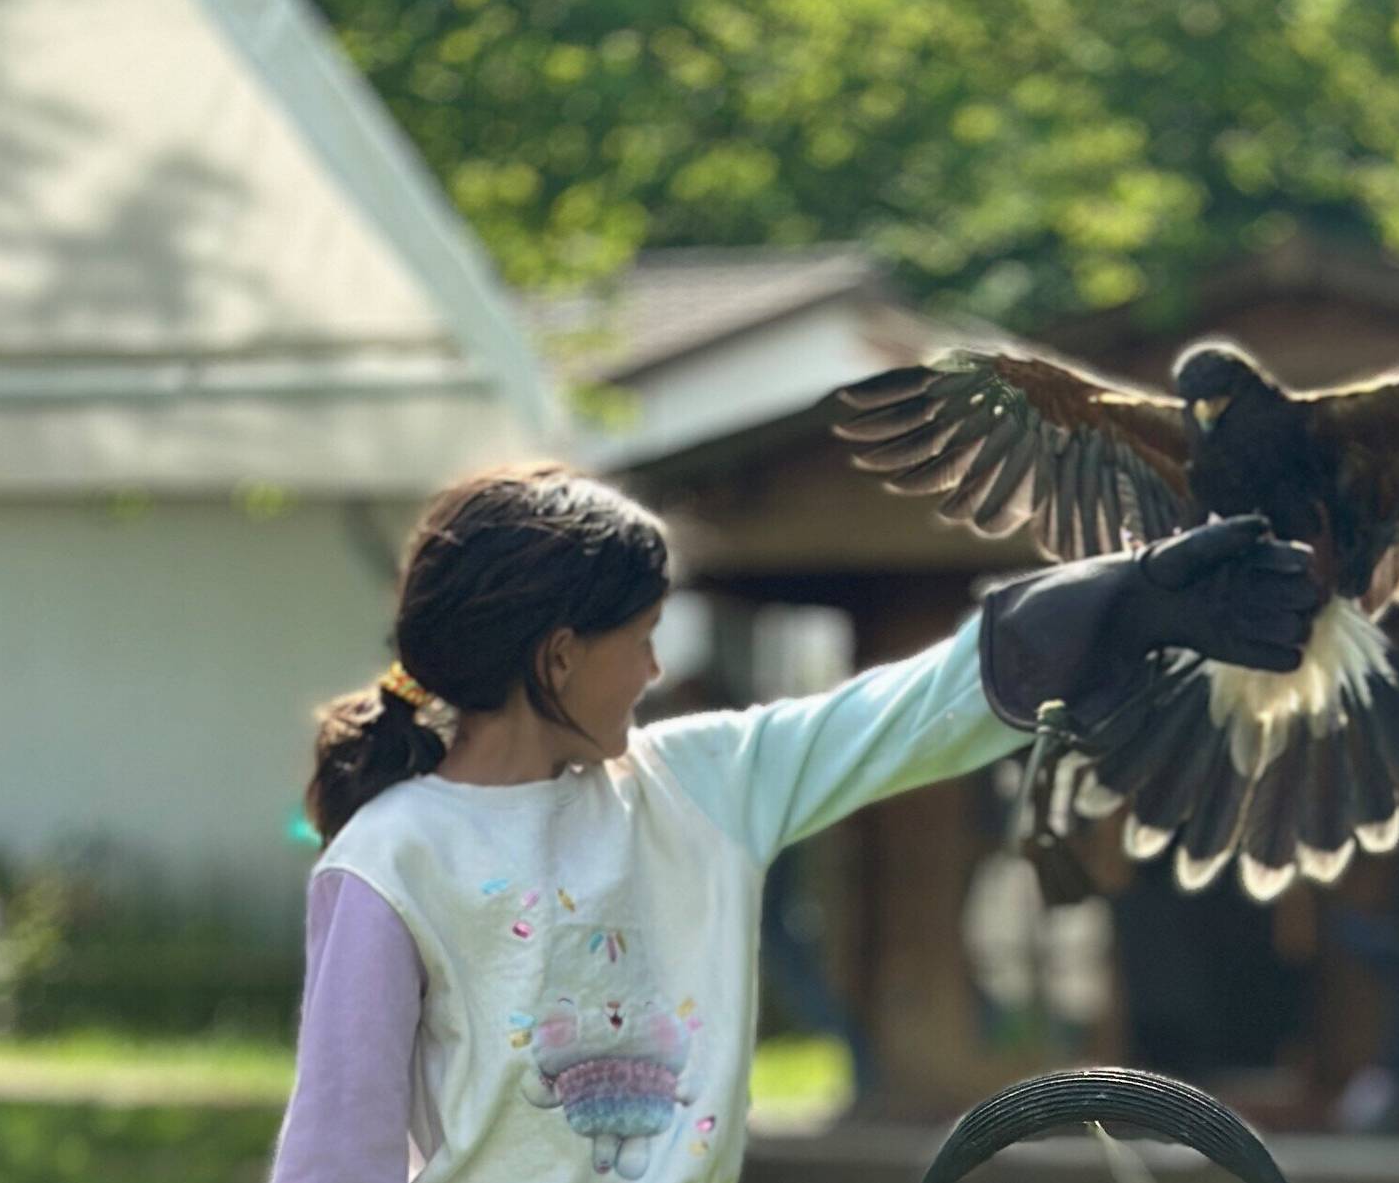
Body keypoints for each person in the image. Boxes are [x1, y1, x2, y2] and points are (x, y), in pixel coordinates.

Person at [268, 460, 1316, 1182]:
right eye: (639, 636)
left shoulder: (699, 783)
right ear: (557, 656)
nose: (656, 667)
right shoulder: (393, 856)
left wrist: (1122, 602)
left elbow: (902, 711)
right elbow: (336, 1150)